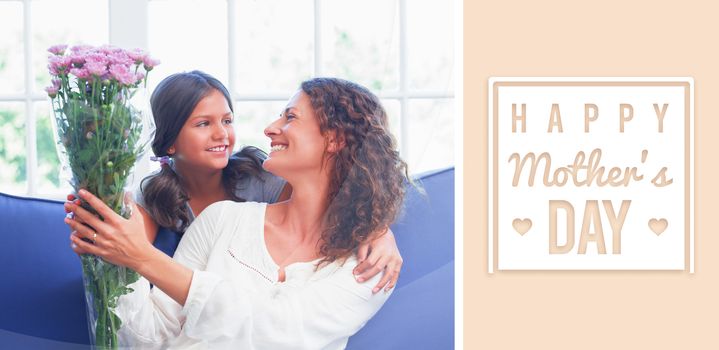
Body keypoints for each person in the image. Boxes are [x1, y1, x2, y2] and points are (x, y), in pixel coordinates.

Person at [64, 77, 410, 349]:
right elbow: (146, 340)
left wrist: (143, 258)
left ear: (334, 140)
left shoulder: (370, 268)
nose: (270, 127)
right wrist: (116, 253)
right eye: (203, 123)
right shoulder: (220, 219)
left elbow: (278, 334)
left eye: (290, 116)